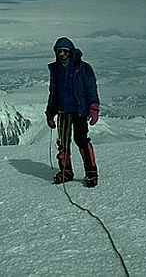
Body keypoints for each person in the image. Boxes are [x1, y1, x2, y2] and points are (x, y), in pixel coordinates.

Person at [45, 36, 100, 187]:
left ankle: (91, 173)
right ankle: (66, 171)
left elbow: (91, 89)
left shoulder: (83, 68)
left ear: (71, 52)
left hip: (79, 111)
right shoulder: (56, 70)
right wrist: (50, 112)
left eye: (65, 51)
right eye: (59, 51)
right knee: (63, 143)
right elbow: (54, 93)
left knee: (81, 141)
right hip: (63, 112)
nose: (62, 54)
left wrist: (93, 108)